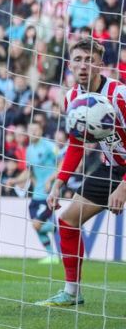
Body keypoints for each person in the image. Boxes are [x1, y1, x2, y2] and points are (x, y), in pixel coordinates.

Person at [38, 37, 126, 307]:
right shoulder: (72, 98)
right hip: (112, 168)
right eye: (78, 59)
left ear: (101, 65)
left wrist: (123, 186)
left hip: (123, 176)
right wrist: (59, 183)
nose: (84, 65)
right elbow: (76, 144)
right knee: (67, 221)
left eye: (90, 60)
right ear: (69, 65)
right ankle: (72, 292)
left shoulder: (120, 94)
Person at [25, 120, 59, 265]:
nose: (33, 132)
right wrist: (14, 180)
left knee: (37, 224)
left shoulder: (50, 146)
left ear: (41, 131)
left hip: (50, 193)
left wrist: (50, 180)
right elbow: (29, 172)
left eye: (36, 129)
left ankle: (60, 228)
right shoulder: (29, 150)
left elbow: (62, 164)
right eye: (30, 130)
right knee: (36, 224)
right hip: (37, 194)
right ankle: (51, 256)